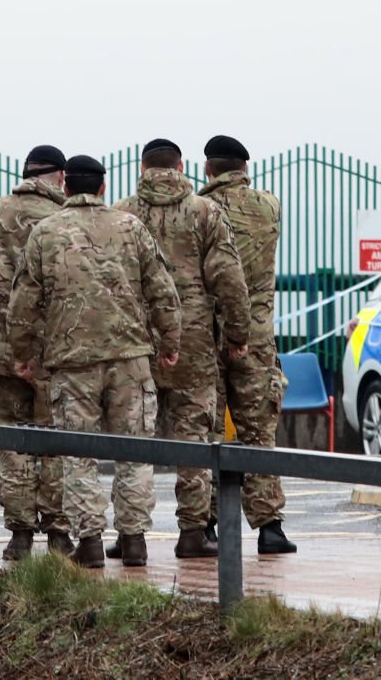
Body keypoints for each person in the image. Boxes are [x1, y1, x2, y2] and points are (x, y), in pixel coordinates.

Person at [7, 154, 182, 569]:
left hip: (72, 363)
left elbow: (23, 300)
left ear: (65, 186)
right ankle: (134, 539)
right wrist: (169, 341)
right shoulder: (131, 227)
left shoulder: (45, 233)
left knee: (78, 454)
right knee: (134, 450)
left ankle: (88, 543)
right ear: (102, 187)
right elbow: (162, 289)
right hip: (130, 359)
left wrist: (23, 353)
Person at [113, 139, 251, 559]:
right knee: (193, 436)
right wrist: (238, 335)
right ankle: (192, 532)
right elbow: (229, 278)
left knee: (134, 438)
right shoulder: (204, 212)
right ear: (181, 166)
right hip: (193, 341)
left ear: (142, 168)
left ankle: (130, 536)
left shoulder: (122, 214)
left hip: (137, 341)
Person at [0, 144, 74, 560]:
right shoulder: (62, 217)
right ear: (60, 177)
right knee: (53, 439)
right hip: (49, 350)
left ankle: (19, 535)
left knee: (10, 440)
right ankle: (58, 531)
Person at [199, 135, 295, 554]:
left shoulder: (200, 210)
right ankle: (269, 527)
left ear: (208, 169)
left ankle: (205, 525)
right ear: (245, 168)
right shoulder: (269, 205)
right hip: (256, 337)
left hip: (208, 334)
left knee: (208, 431)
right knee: (259, 432)